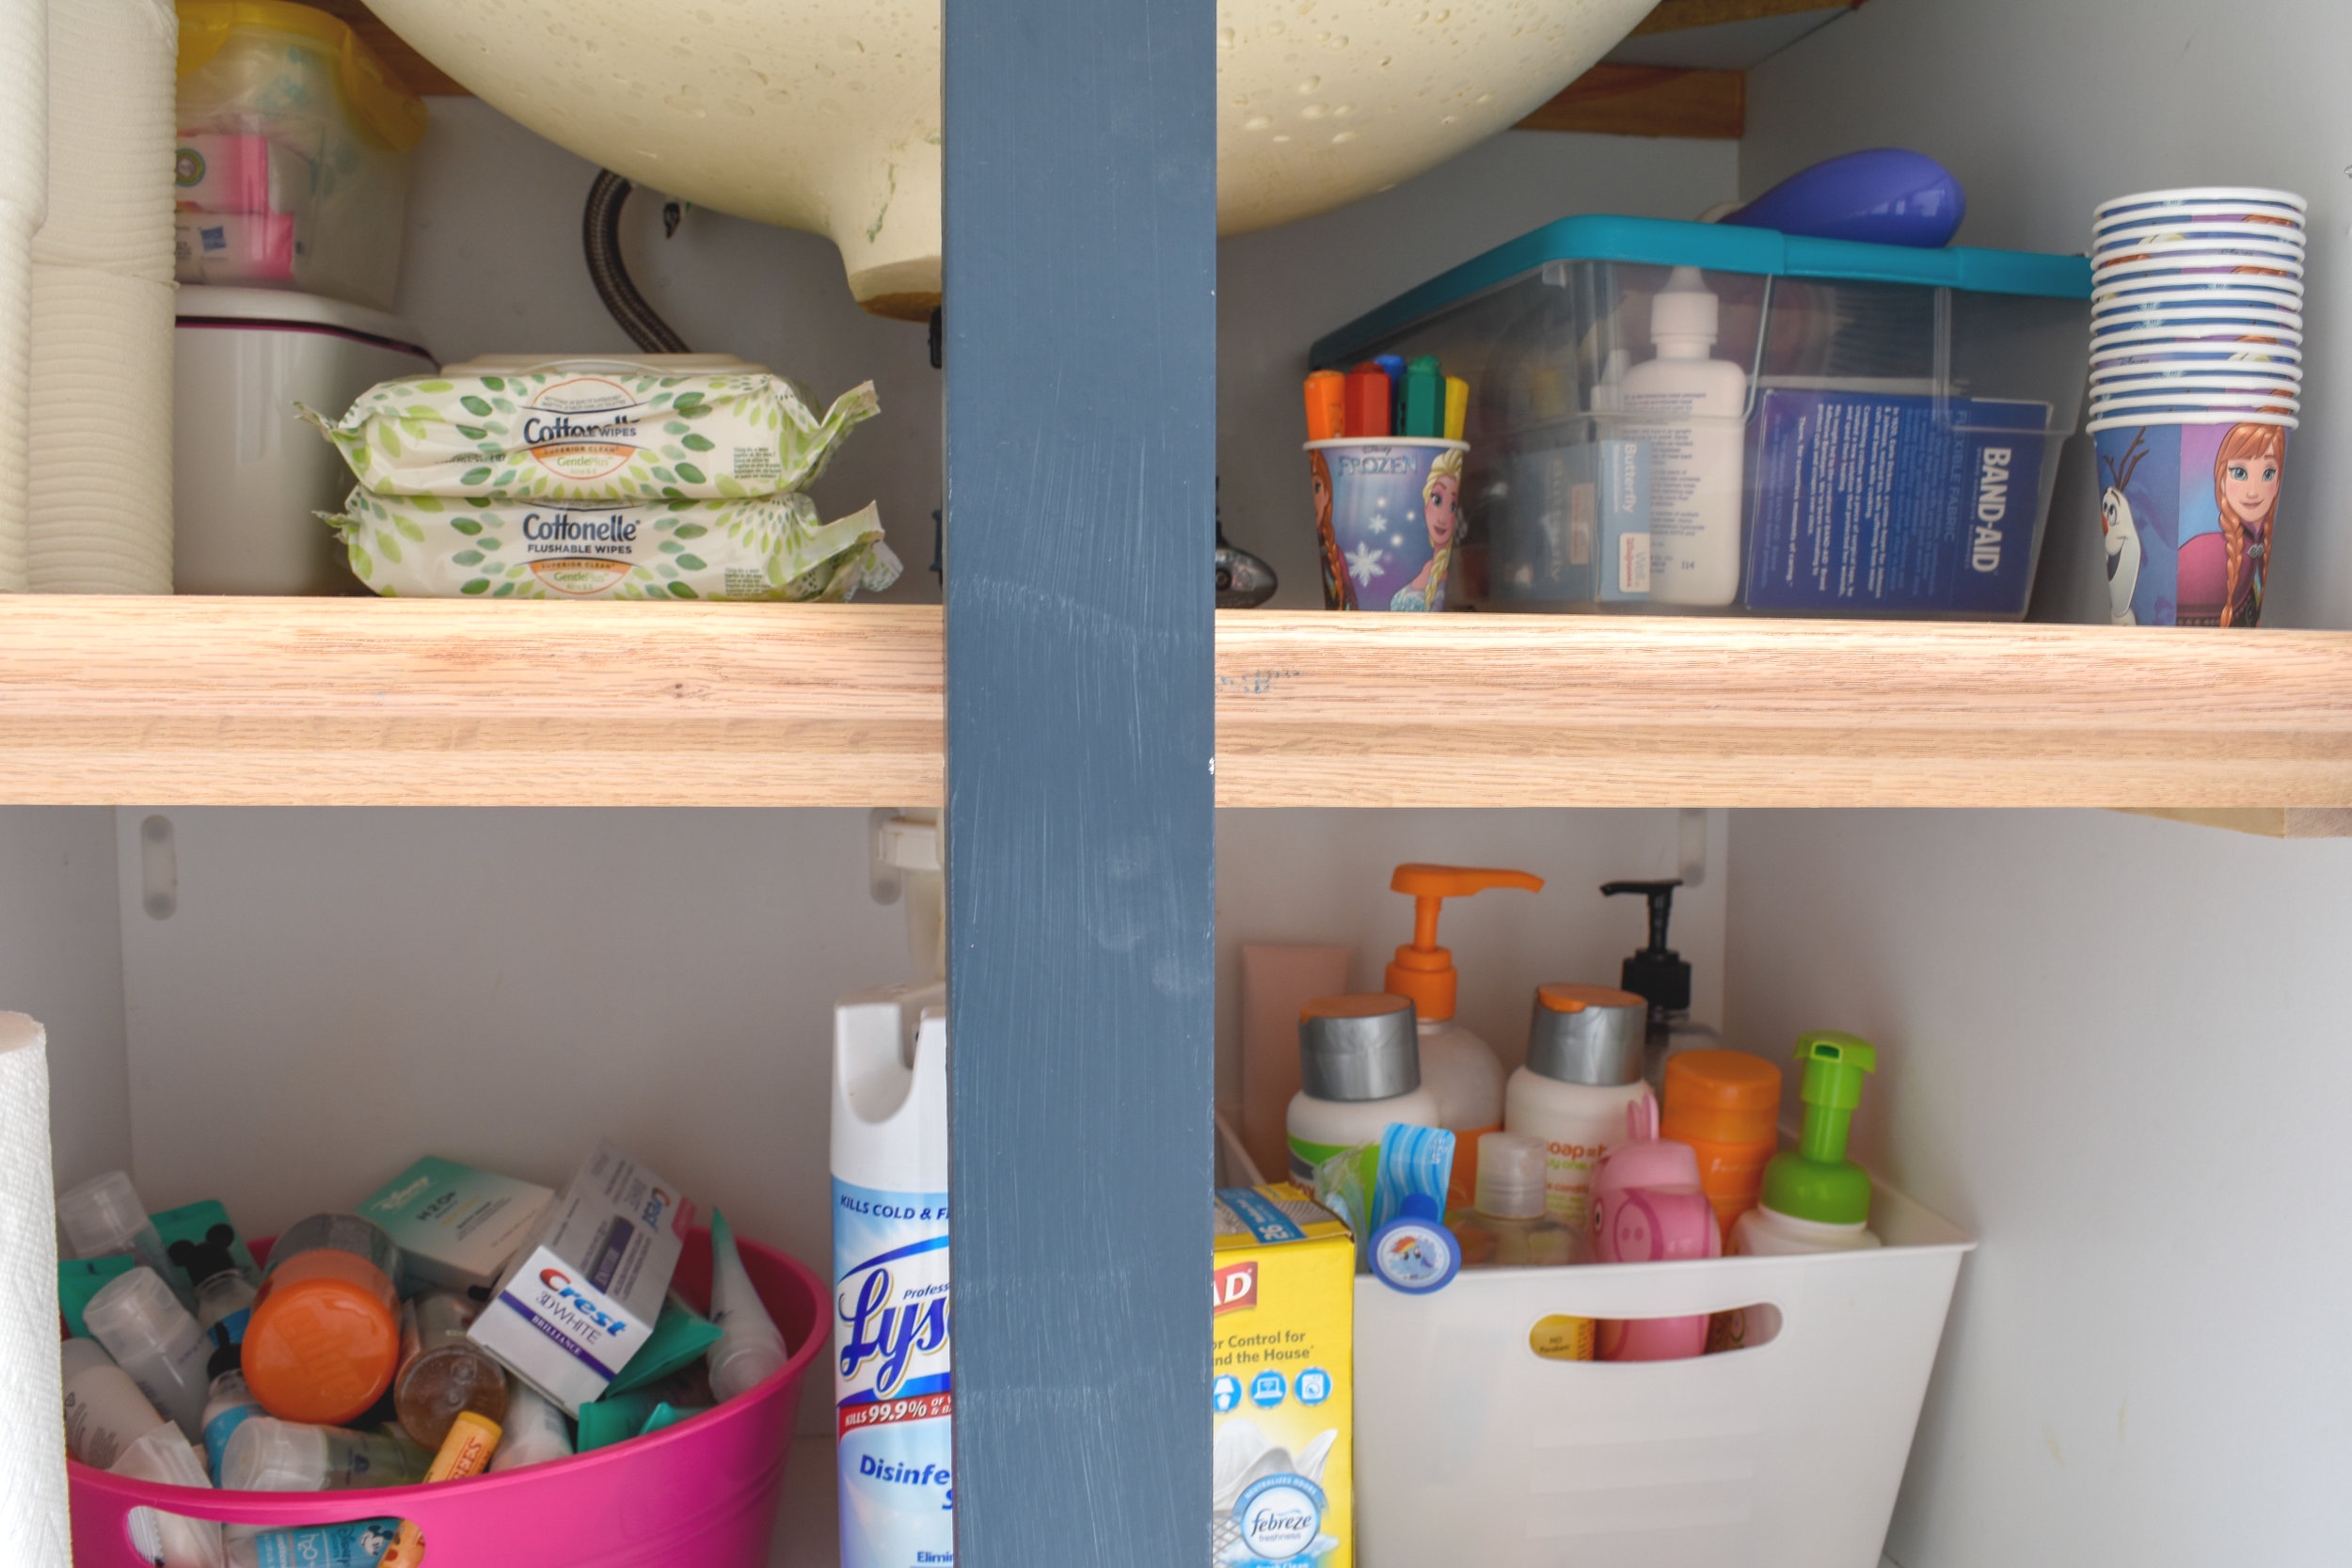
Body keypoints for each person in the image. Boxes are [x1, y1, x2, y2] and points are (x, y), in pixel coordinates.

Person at [2175, 423, 2283, 627]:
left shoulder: (2257, 548)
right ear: (2222, 479)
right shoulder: (2206, 552)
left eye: (2267, 474)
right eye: (2240, 473)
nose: (2253, 492)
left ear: (2278, 482)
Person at [1389, 448, 1464, 612]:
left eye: (1452, 506)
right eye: (1437, 500)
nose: (1443, 517)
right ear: (1425, 503)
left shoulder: (1444, 574)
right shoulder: (1427, 567)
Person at [1311, 449, 1355, 610]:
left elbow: (1352, 608)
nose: (1313, 500)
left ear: (1327, 494)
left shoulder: (1335, 555)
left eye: (1317, 488)